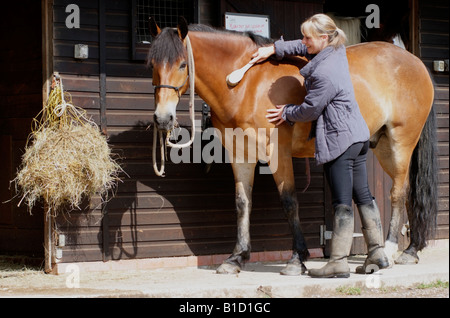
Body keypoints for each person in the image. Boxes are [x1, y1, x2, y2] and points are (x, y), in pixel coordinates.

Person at [252, 14, 390, 278]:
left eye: (308, 37)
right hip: (358, 135)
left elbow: (312, 108)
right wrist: (274, 48)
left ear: (323, 38)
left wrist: (287, 112)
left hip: (340, 139)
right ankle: (377, 253)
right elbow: (302, 47)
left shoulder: (325, 72)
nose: (304, 42)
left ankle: (338, 261)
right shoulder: (335, 49)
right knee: (363, 195)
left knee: (341, 202)